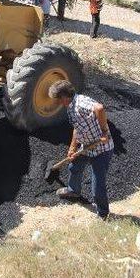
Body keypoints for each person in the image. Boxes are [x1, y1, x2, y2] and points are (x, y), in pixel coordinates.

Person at [49, 80, 114, 219]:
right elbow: (77, 128)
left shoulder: (81, 103)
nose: (58, 103)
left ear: (65, 97)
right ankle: (73, 191)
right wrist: (73, 147)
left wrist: (104, 131)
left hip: (101, 149)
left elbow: (100, 108)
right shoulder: (70, 107)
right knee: (74, 167)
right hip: (86, 147)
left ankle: (103, 214)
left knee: (97, 186)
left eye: (58, 100)